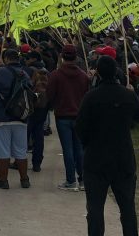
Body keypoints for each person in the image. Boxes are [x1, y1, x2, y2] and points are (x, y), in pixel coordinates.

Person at [76, 55, 139, 236]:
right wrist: (132, 94)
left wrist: (88, 144)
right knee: (128, 208)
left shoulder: (91, 97)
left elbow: (80, 128)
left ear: (97, 72)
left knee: (95, 210)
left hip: (96, 159)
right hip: (123, 158)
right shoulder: (127, 94)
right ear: (117, 72)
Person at [0, 48, 31, 189]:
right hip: (21, 117)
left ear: (6, 59)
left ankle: (3, 180)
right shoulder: (24, 74)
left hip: (2, 118)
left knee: (3, 150)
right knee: (21, 150)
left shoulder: (0, 72)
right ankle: (24, 179)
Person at [46, 44, 90, 191]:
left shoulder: (55, 75)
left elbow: (49, 95)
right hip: (79, 116)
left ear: (62, 56)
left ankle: (70, 181)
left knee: (68, 149)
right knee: (79, 149)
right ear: (76, 57)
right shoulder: (84, 76)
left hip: (62, 116)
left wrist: (52, 105)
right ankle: (83, 180)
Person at [25, 50, 49, 172]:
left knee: (25, 134)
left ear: (33, 59)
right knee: (39, 135)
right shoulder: (46, 71)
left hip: (31, 106)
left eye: (27, 58)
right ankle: (37, 163)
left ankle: (20, 161)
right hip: (43, 107)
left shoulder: (30, 71)